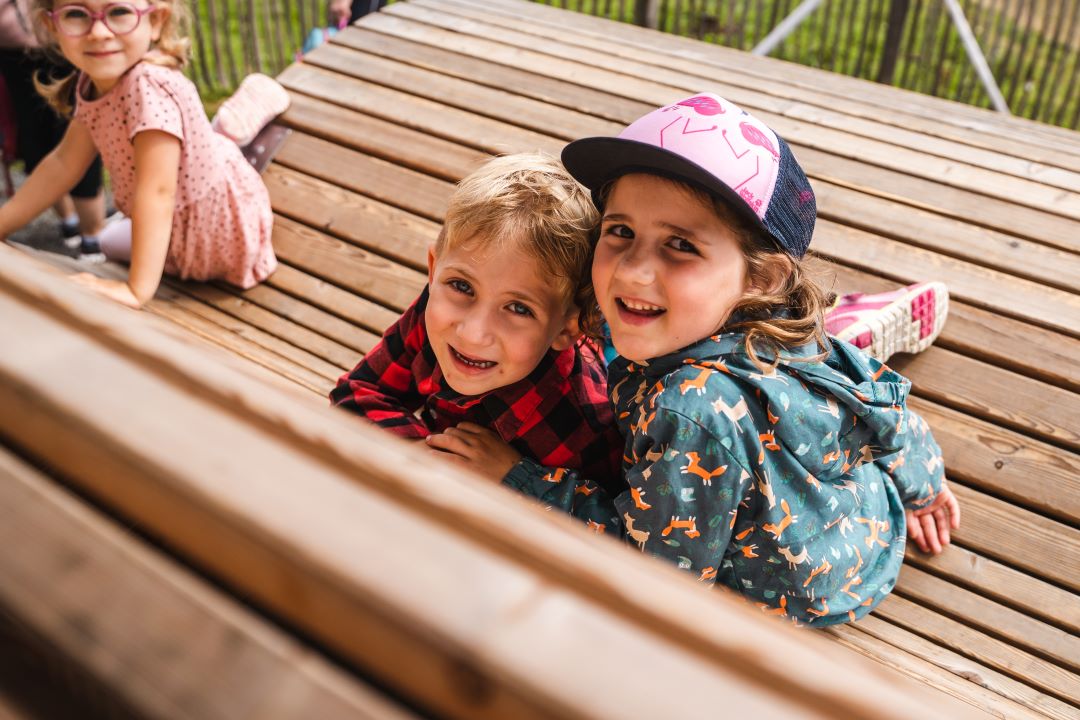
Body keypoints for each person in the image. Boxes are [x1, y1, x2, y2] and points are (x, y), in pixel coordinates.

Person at [431, 94, 960, 627]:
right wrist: (924, 486)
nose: (633, 271)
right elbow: (882, 409)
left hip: (801, 592)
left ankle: (860, 316)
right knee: (827, 361)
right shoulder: (775, 321)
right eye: (621, 231)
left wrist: (518, 479)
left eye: (680, 245)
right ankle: (853, 321)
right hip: (865, 501)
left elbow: (656, 578)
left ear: (761, 278)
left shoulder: (690, 412)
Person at [330, 152, 624, 500]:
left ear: (566, 330)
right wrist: (418, 453)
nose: (472, 333)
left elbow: (601, 524)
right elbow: (356, 393)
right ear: (433, 268)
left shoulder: (582, 424)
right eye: (462, 286)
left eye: (518, 308)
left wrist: (517, 480)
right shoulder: (433, 313)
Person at [0, 0, 282, 307]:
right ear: (52, 25)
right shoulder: (94, 79)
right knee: (107, 240)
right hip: (173, 213)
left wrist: (136, 290)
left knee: (113, 238)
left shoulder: (147, 88)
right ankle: (217, 131)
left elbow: (158, 192)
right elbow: (63, 163)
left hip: (212, 236)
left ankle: (236, 119)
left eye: (119, 12)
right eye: (77, 14)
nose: (98, 32)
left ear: (157, 20)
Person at [0, 0, 106, 251]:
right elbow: (62, 162)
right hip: (15, 60)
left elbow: (158, 193)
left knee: (77, 149)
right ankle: (72, 223)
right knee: (37, 146)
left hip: (61, 53)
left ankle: (94, 238)